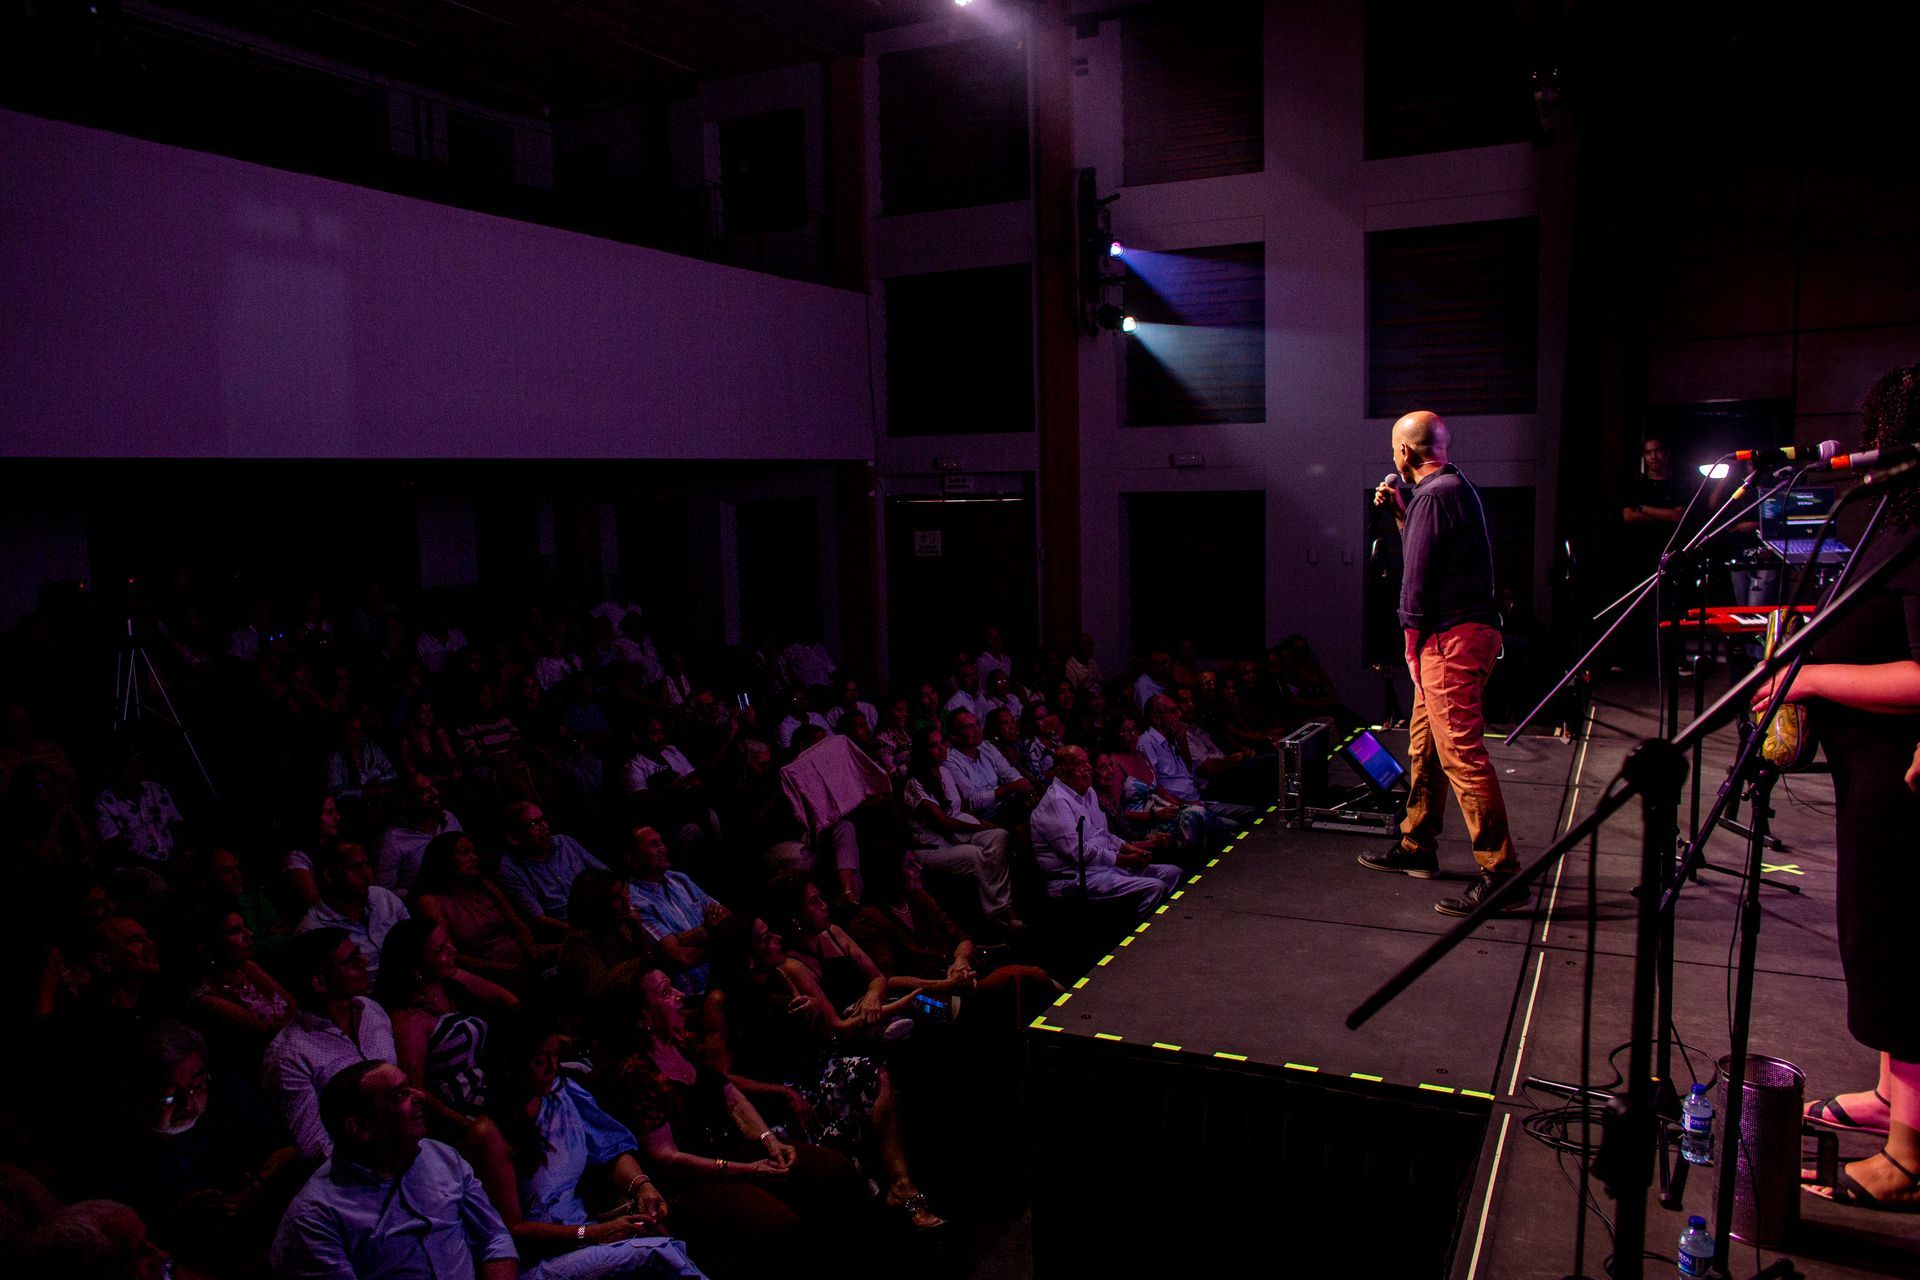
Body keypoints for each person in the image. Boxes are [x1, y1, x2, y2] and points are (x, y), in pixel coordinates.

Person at [1759, 364, 1920, 1211]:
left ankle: (1910, 1154)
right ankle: (1896, 1095)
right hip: (1871, 773)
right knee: (1879, 939)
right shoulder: (1895, 515)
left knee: (1906, 951)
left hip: (1907, 784)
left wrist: (1815, 677)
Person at [1359, 410, 1520, 916]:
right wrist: (1402, 514)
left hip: (1448, 639)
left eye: (1393, 451)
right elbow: (1425, 549)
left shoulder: (1434, 494)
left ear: (1405, 452)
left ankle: (1502, 874)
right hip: (1463, 633)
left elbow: (1417, 580)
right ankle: (1417, 845)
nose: (1393, 459)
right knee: (1425, 743)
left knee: (1461, 755)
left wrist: (1409, 646)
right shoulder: (1450, 489)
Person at [472, 1013, 706, 1278]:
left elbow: (609, 1147)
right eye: (540, 1061)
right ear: (510, 1066)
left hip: (587, 1227)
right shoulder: (490, 1133)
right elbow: (512, 1231)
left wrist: (643, 1186)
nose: (552, 1068)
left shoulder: (562, 1095)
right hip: (546, 1254)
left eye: (555, 1055)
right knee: (659, 1252)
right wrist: (595, 1233)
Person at [271, 1060, 519, 1278]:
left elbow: (494, 1239)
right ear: (360, 1128)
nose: (419, 1096)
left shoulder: (441, 1156)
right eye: (399, 1095)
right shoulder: (315, 1218)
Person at [376, 919, 519, 1138]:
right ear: (416, 966)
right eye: (440, 949)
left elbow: (507, 999)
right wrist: (466, 1126)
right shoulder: (409, 1019)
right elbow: (416, 1087)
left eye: (448, 943)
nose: (453, 951)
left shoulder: (451, 979)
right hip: (465, 1103)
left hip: (494, 1079)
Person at [263, 927, 399, 1158]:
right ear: (320, 982)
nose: (364, 962)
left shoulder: (372, 1010)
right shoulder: (289, 1056)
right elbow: (314, 1146)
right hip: (358, 1167)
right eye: (351, 961)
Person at [1029, 747, 1181, 922]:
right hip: (1074, 878)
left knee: (1172, 873)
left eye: (1087, 762)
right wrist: (1122, 859)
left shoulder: (1088, 792)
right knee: (1156, 887)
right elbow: (1076, 853)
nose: (1087, 768)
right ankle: (1137, 936)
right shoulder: (1057, 802)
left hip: (1103, 867)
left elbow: (1103, 833)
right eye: (1079, 764)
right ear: (1061, 771)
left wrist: (1128, 848)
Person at [901, 728, 1021, 932]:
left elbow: (960, 807)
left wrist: (982, 825)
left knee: (999, 837)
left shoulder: (945, 772)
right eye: (933, 745)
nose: (941, 749)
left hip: (956, 835)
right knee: (974, 854)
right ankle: (994, 914)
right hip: (931, 845)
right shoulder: (915, 784)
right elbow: (943, 822)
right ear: (923, 751)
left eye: (942, 743)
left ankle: (1004, 903)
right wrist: (981, 825)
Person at [412, 831, 546, 984]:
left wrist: (534, 957)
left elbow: (517, 925)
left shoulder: (485, 886)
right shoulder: (430, 901)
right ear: (444, 859)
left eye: (474, 852)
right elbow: (451, 954)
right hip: (483, 973)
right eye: (465, 852)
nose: (474, 857)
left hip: (521, 955)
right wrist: (511, 969)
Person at [296, 841, 411, 980]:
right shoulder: (313, 929)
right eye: (356, 869)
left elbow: (413, 939)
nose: (367, 875)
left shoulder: (383, 897)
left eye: (367, 865)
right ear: (329, 875)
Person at [498, 801, 609, 938]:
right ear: (514, 837)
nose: (545, 827)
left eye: (544, 819)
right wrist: (581, 931)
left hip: (600, 912)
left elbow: (605, 874)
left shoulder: (564, 842)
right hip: (564, 930)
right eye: (534, 824)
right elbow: (538, 919)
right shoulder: (510, 868)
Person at [376, 773, 463, 896]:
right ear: (407, 801)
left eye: (433, 787)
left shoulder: (449, 818)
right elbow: (384, 892)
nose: (435, 794)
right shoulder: (393, 839)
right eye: (424, 792)